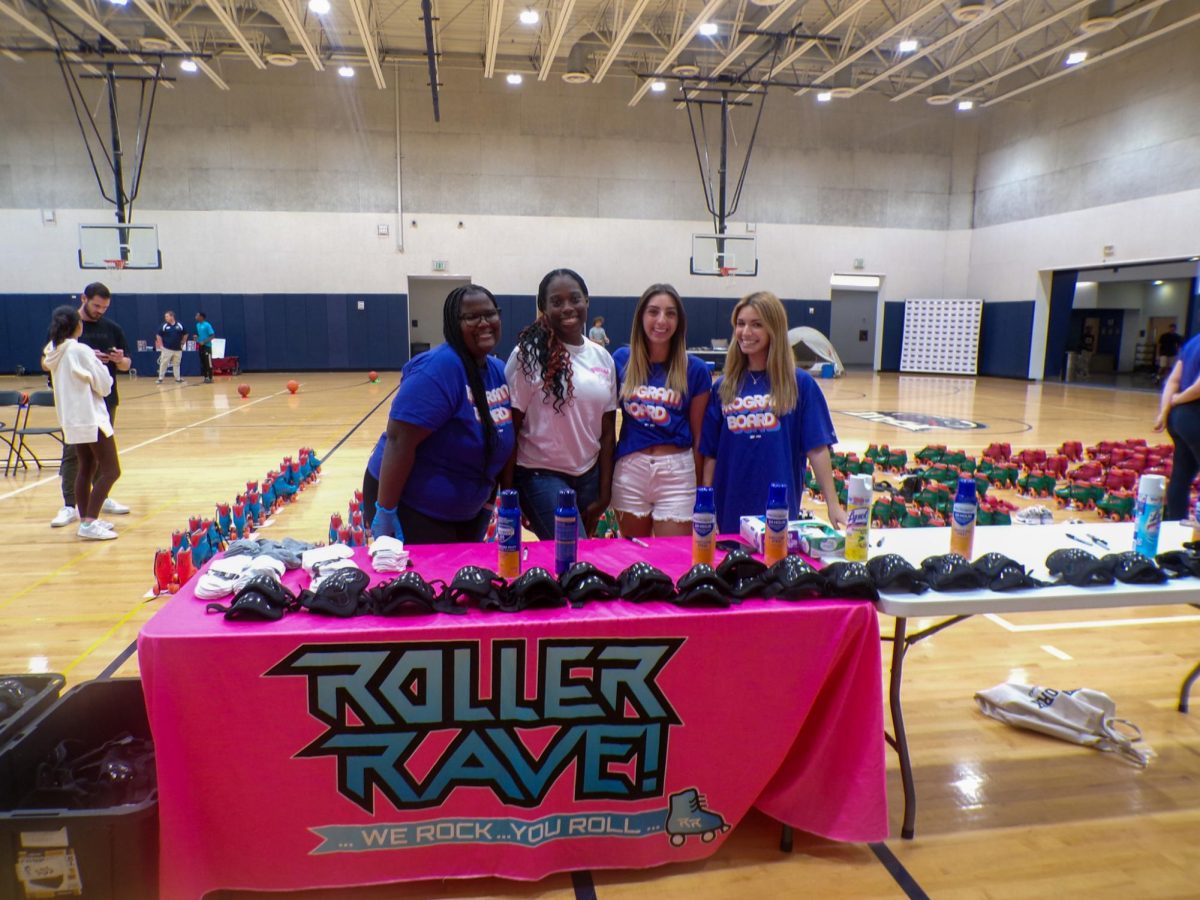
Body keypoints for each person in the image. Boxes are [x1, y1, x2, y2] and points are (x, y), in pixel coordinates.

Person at [365, 285, 514, 544]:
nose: (484, 323)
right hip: (412, 505)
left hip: (468, 509)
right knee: (430, 583)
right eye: (472, 317)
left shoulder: (499, 371)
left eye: (490, 314)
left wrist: (487, 505)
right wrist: (386, 510)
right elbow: (399, 441)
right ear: (453, 324)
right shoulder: (439, 369)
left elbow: (498, 442)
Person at [700, 290, 847, 535]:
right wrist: (708, 510)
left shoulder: (799, 384)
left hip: (778, 511)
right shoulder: (723, 387)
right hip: (729, 510)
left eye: (756, 325)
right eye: (741, 324)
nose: (746, 332)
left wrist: (833, 504)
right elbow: (710, 455)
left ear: (774, 330)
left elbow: (817, 448)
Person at [505, 269, 617, 539]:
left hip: (588, 477)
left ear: (586, 301)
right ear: (543, 308)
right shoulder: (526, 356)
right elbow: (511, 428)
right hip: (540, 476)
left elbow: (607, 432)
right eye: (556, 302)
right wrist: (509, 496)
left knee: (575, 559)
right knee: (572, 553)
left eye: (575, 299)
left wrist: (604, 494)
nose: (568, 307)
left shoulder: (603, 359)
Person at [611, 284, 711, 538]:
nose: (661, 321)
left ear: (679, 321)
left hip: (677, 474)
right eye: (653, 312)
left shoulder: (695, 369)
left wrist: (700, 489)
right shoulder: (621, 360)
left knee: (674, 561)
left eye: (670, 313)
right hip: (630, 471)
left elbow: (700, 437)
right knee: (633, 560)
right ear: (641, 317)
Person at [47, 283, 132, 528]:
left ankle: (86, 515)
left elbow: (48, 361)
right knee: (110, 470)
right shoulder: (80, 350)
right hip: (91, 414)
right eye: (96, 305)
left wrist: (118, 360)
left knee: (87, 464)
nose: (100, 311)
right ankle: (88, 519)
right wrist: (99, 364)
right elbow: (104, 385)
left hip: (72, 414)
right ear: (77, 325)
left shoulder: (57, 348)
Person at [1155, 331, 1200, 519]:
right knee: (1181, 476)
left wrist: (1165, 410)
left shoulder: (1194, 341)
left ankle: (1173, 526)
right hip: (1195, 415)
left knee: (1181, 477)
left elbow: (1173, 380)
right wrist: (1178, 400)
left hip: (1179, 418)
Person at [156, 310, 187, 384]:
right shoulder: (164, 326)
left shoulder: (180, 325)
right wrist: (161, 346)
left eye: (167, 316)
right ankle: (160, 378)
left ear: (172, 316)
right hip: (167, 349)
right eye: (165, 317)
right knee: (164, 363)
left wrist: (183, 342)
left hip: (178, 349)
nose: (165, 318)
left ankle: (177, 379)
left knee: (177, 364)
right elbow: (158, 335)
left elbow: (185, 334)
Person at [195, 312, 215, 383]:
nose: (196, 316)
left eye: (197, 315)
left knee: (208, 362)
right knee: (203, 362)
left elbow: (212, 335)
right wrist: (197, 339)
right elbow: (200, 336)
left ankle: (210, 377)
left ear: (201, 317)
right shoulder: (197, 325)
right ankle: (206, 377)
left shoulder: (207, 325)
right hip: (201, 347)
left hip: (207, 346)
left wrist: (204, 342)